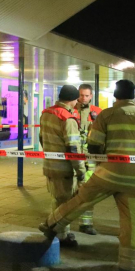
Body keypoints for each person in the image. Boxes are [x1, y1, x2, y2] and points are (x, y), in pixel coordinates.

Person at [39, 80, 135, 271]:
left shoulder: (105, 115)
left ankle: (51, 224)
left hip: (107, 173)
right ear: (133, 96)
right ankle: (128, 266)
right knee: (133, 221)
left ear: (115, 95)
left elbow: (94, 145)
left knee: (80, 199)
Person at [39, 85, 86, 248]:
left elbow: (41, 139)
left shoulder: (46, 113)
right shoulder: (67, 118)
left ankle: (60, 233)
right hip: (64, 169)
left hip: (49, 166)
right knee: (66, 204)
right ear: (74, 100)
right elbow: (73, 148)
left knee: (57, 201)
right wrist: (81, 171)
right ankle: (60, 235)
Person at [76, 83, 103, 235]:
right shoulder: (71, 110)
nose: (84, 98)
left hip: (90, 158)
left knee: (88, 190)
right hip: (73, 156)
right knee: (69, 191)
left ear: (91, 96)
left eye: (86, 95)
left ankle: (86, 223)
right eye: (81, 95)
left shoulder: (97, 112)